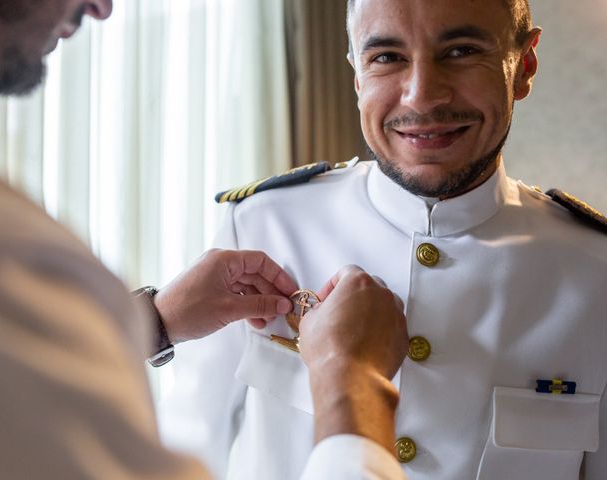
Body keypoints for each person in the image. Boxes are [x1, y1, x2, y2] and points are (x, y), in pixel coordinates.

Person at [160, 0, 607, 479]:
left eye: (460, 51)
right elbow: (185, 450)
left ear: (524, 65)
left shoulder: (595, 271)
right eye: (387, 57)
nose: (421, 97)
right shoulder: (261, 227)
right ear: (357, 75)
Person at [0, 1, 410, 479]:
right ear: (356, 73)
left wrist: (156, 321)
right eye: (387, 56)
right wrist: (353, 387)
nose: (102, 6)